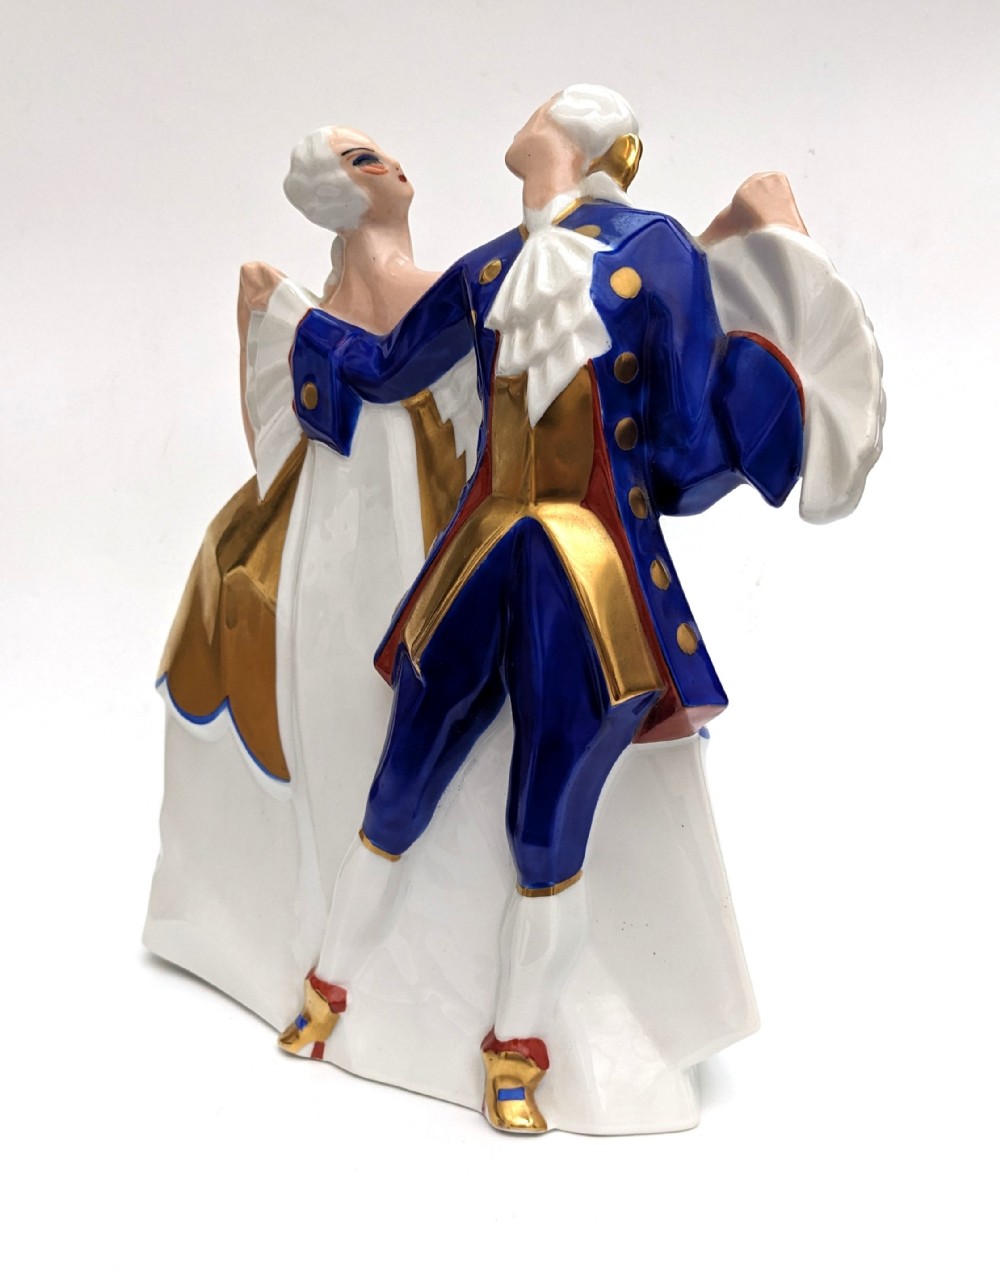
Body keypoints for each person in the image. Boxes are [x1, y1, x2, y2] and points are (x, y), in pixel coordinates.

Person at [280, 84, 881, 1133]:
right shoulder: (488, 268)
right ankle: (326, 991)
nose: (526, 115)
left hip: (589, 579)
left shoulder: (655, 252)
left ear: (588, 134)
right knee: (399, 783)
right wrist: (301, 330)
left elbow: (685, 454)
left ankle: (515, 1055)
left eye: (545, 106)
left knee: (546, 824)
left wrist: (773, 382)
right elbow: (389, 366)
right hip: (476, 560)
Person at [145, 127, 478, 1026]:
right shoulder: (399, 288)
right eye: (365, 160)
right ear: (342, 194)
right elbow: (280, 427)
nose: (394, 163)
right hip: (352, 518)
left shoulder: (324, 300)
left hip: (396, 510)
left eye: (386, 153)